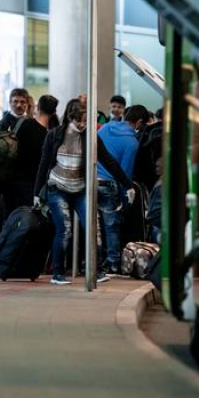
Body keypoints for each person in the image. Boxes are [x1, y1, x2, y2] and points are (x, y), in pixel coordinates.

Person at [34, 97, 136, 285]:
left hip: (80, 188)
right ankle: (57, 273)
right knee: (64, 230)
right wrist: (36, 193)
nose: (82, 124)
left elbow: (109, 161)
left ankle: (95, 271)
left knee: (92, 229)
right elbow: (44, 163)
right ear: (70, 118)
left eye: (84, 120)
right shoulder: (55, 135)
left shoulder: (91, 136)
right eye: (78, 120)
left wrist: (127, 184)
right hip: (57, 187)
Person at [96, 104, 142, 274]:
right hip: (109, 184)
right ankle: (113, 264)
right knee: (111, 226)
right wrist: (125, 200)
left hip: (91, 180)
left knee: (93, 225)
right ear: (139, 122)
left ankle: (91, 262)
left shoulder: (106, 127)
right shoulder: (132, 142)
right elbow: (125, 173)